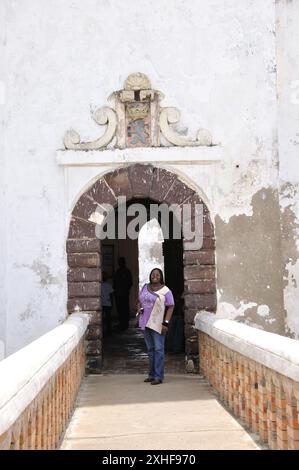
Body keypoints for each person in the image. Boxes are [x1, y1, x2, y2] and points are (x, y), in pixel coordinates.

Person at [137, 268, 175, 385]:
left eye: (157, 274)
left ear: (161, 277)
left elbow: (171, 306)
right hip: (145, 322)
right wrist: (139, 308)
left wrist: (166, 323)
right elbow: (139, 301)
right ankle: (151, 375)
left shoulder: (166, 291)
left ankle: (159, 376)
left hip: (157, 324)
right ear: (150, 276)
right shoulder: (145, 287)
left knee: (158, 349)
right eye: (153, 274)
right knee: (151, 350)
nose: (155, 276)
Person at [113, 257, 133, 330]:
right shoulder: (118, 271)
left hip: (123, 294)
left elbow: (130, 283)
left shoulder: (126, 272)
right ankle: (122, 323)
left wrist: (125, 289)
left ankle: (124, 323)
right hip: (119, 293)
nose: (120, 263)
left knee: (124, 308)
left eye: (121, 262)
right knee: (120, 309)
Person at [101, 272, 113, 336]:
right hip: (108, 303)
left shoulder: (100, 285)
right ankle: (109, 330)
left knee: (102, 318)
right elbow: (111, 295)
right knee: (108, 318)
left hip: (101, 303)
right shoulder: (109, 285)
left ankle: (102, 330)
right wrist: (112, 303)